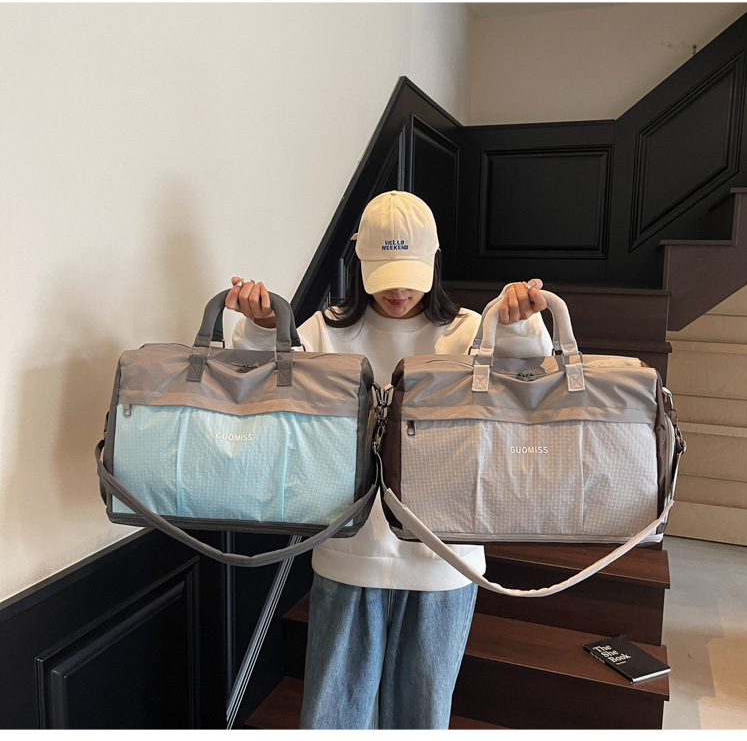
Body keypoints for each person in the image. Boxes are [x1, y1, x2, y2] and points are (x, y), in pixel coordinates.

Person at [225, 190, 552, 730]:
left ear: (434, 260)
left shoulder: (470, 331)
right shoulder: (325, 331)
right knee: (332, 720)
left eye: (410, 273)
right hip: (349, 551)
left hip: (445, 558)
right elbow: (262, 393)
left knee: (421, 721)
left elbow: (529, 390)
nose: (399, 290)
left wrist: (520, 326)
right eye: (384, 274)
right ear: (359, 263)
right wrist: (261, 327)